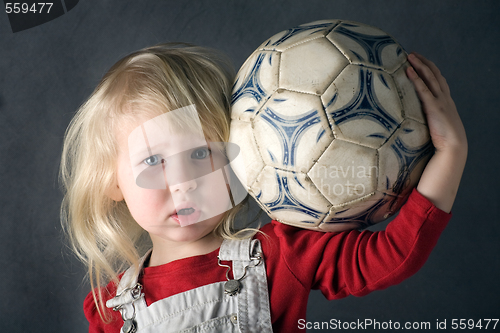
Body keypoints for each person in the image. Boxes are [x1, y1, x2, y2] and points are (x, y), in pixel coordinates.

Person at [59, 42, 467, 332]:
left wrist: (450, 154)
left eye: (202, 155)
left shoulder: (280, 252)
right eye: (153, 161)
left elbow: (391, 255)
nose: (183, 183)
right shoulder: (111, 310)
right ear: (112, 180)